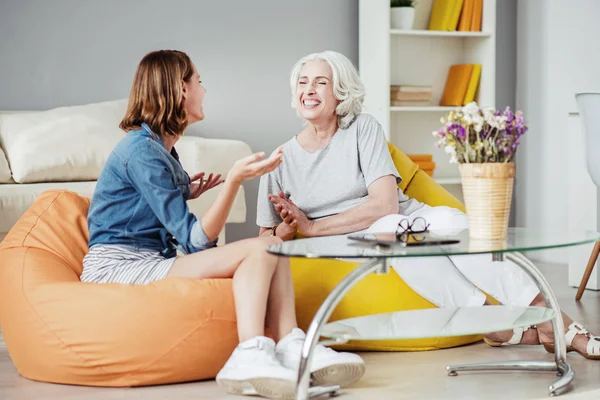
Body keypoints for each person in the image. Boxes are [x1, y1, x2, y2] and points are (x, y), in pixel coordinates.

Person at [257, 50, 599, 360]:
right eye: (303, 83)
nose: (309, 90)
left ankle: (536, 315)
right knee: (393, 235)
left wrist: (313, 226)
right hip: (353, 241)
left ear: (341, 92)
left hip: (405, 220)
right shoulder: (281, 160)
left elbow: (386, 205)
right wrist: (291, 228)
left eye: (321, 82)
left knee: (456, 224)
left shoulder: (363, 128)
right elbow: (266, 240)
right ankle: (536, 324)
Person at [82, 50, 366, 400]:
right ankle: (250, 352)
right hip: (118, 268)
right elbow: (195, 241)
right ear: (180, 90)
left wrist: (185, 188)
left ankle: (290, 344)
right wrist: (233, 182)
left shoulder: (161, 149)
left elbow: (165, 217)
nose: (203, 89)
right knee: (262, 246)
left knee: (271, 246)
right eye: (198, 81)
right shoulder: (142, 152)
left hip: (151, 259)